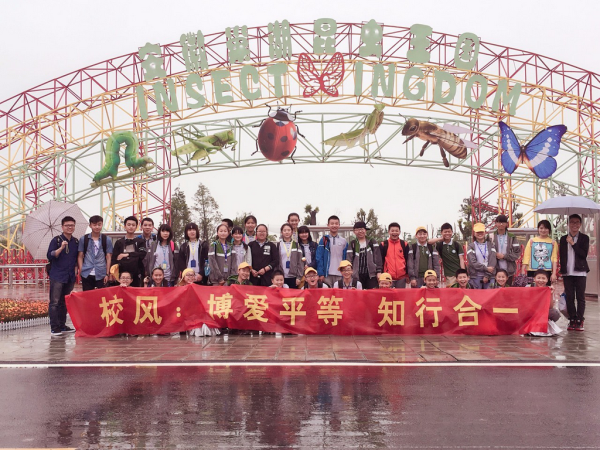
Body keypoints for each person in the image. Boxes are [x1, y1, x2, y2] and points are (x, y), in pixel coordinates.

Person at [47, 216, 80, 336]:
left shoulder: (76, 241)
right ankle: (54, 327)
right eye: (67, 225)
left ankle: (62, 325)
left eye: (72, 225)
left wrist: (77, 271)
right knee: (54, 302)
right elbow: (50, 255)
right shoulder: (56, 240)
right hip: (57, 275)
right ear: (62, 227)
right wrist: (61, 248)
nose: (70, 227)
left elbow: (77, 258)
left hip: (70, 276)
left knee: (64, 301)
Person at [559, 214, 590, 331]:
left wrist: (573, 243)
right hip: (567, 273)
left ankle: (580, 320)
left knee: (580, 297)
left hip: (580, 272)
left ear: (580, 224)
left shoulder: (584, 238)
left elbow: (583, 254)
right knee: (570, 297)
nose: (574, 225)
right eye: (572, 222)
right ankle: (572, 319)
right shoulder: (563, 239)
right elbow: (562, 256)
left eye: (577, 222)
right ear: (568, 224)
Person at [178, 268, 220, 337]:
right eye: (188, 275)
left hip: (197, 313)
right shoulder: (180, 289)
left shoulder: (199, 288)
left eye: (192, 275)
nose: (190, 277)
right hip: (186, 313)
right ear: (184, 277)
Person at [78, 215, 113, 291]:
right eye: (94, 225)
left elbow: (108, 257)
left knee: (102, 296)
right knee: (87, 295)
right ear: (90, 225)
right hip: (86, 273)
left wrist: (107, 274)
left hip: (101, 273)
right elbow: (80, 256)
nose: (97, 227)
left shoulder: (106, 239)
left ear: (102, 225)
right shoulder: (83, 239)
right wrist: (81, 271)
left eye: (99, 224)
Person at [112, 216, 147, 287]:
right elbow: (114, 258)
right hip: (122, 275)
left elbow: (142, 254)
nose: (131, 227)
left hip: (136, 274)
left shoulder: (140, 241)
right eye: (129, 225)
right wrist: (112, 273)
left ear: (136, 227)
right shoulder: (119, 242)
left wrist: (127, 254)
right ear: (125, 226)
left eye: (133, 225)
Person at [346, 221, 382, 290]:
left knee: (372, 294)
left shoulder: (372, 241)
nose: (360, 231)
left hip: (371, 275)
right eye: (357, 230)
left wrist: (379, 271)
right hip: (357, 276)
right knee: (358, 294)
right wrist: (349, 272)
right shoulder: (352, 244)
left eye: (362, 229)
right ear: (354, 231)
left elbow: (378, 258)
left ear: (365, 230)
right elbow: (349, 260)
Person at [521, 219, 557, 284]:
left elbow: (554, 258)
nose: (543, 230)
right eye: (541, 228)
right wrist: (523, 269)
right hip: (532, 270)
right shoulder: (532, 241)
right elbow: (527, 255)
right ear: (538, 229)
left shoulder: (553, 242)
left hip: (547, 270)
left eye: (546, 228)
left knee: (545, 288)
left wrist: (554, 273)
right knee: (532, 288)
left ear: (549, 230)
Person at [428, 223, 465, 287]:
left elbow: (461, 259)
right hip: (449, 275)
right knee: (451, 291)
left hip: (459, 273)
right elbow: (429, 242)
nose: (447, 233)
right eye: (445, 232)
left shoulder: (456, 245)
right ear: (441, 233)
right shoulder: (440, 245)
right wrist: (440, 239)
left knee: (462, 291)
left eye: (449, 231)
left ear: (452, 232)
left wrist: (463, 272)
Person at [316, 215, 348, 288]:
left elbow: (346, 258)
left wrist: (346, 272)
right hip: (327, 275)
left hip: (340, 274)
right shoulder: (324, 240)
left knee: (339, 294)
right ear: (328, 225)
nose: (334, 225)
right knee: (327, 294)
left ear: (339, 225)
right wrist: (321, 273)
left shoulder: (344, 241)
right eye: (332, 223)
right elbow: (319, 257)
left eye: (336, 223)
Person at [491, 214, 521, 285]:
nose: (501, 224)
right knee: (495, 290)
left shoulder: (512, 237)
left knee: (508, 290)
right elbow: (487, 252)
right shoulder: (490, 236)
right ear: (496, 223)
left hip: (509, 271)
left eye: (503, 222)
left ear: (506, 224)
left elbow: (517, 253)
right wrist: (495, 254)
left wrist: (504, 256)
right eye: (499, 222)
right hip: (495, 270)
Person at [466, 222, 497, 289]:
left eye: (481, 232)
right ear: (474, 233)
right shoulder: (471, 246)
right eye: (478, 232)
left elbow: (493, 260)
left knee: (490, 294)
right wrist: (486, 268)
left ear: (485, 232)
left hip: (490, 276)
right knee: (476, 295)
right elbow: (472, 262)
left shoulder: (491, 245)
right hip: (475, 276)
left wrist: (487, 275)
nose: (480, 234)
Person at [379, 222, 410, 288]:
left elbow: (408, 260)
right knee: (388, 294)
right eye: (392, 231)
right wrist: (380, 274)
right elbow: (380, 261)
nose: (394, 233)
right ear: (389, 232)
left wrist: (407, 274)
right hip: (387, 277)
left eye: (396, 231)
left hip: (401, 277)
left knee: (400, 294)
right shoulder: (383, 244)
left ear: (399, 232)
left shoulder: (404, 244)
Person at [276, 223, 303, 288]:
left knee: (293, 294)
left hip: (293, 276)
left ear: (292, 232)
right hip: (281, 277)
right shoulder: (278, 245)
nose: (287, 232)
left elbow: (300, 261)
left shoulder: (296, 245)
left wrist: (299, 277)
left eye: (288, 230)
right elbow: (276, 261)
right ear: (281, 232)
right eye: (284, 230)